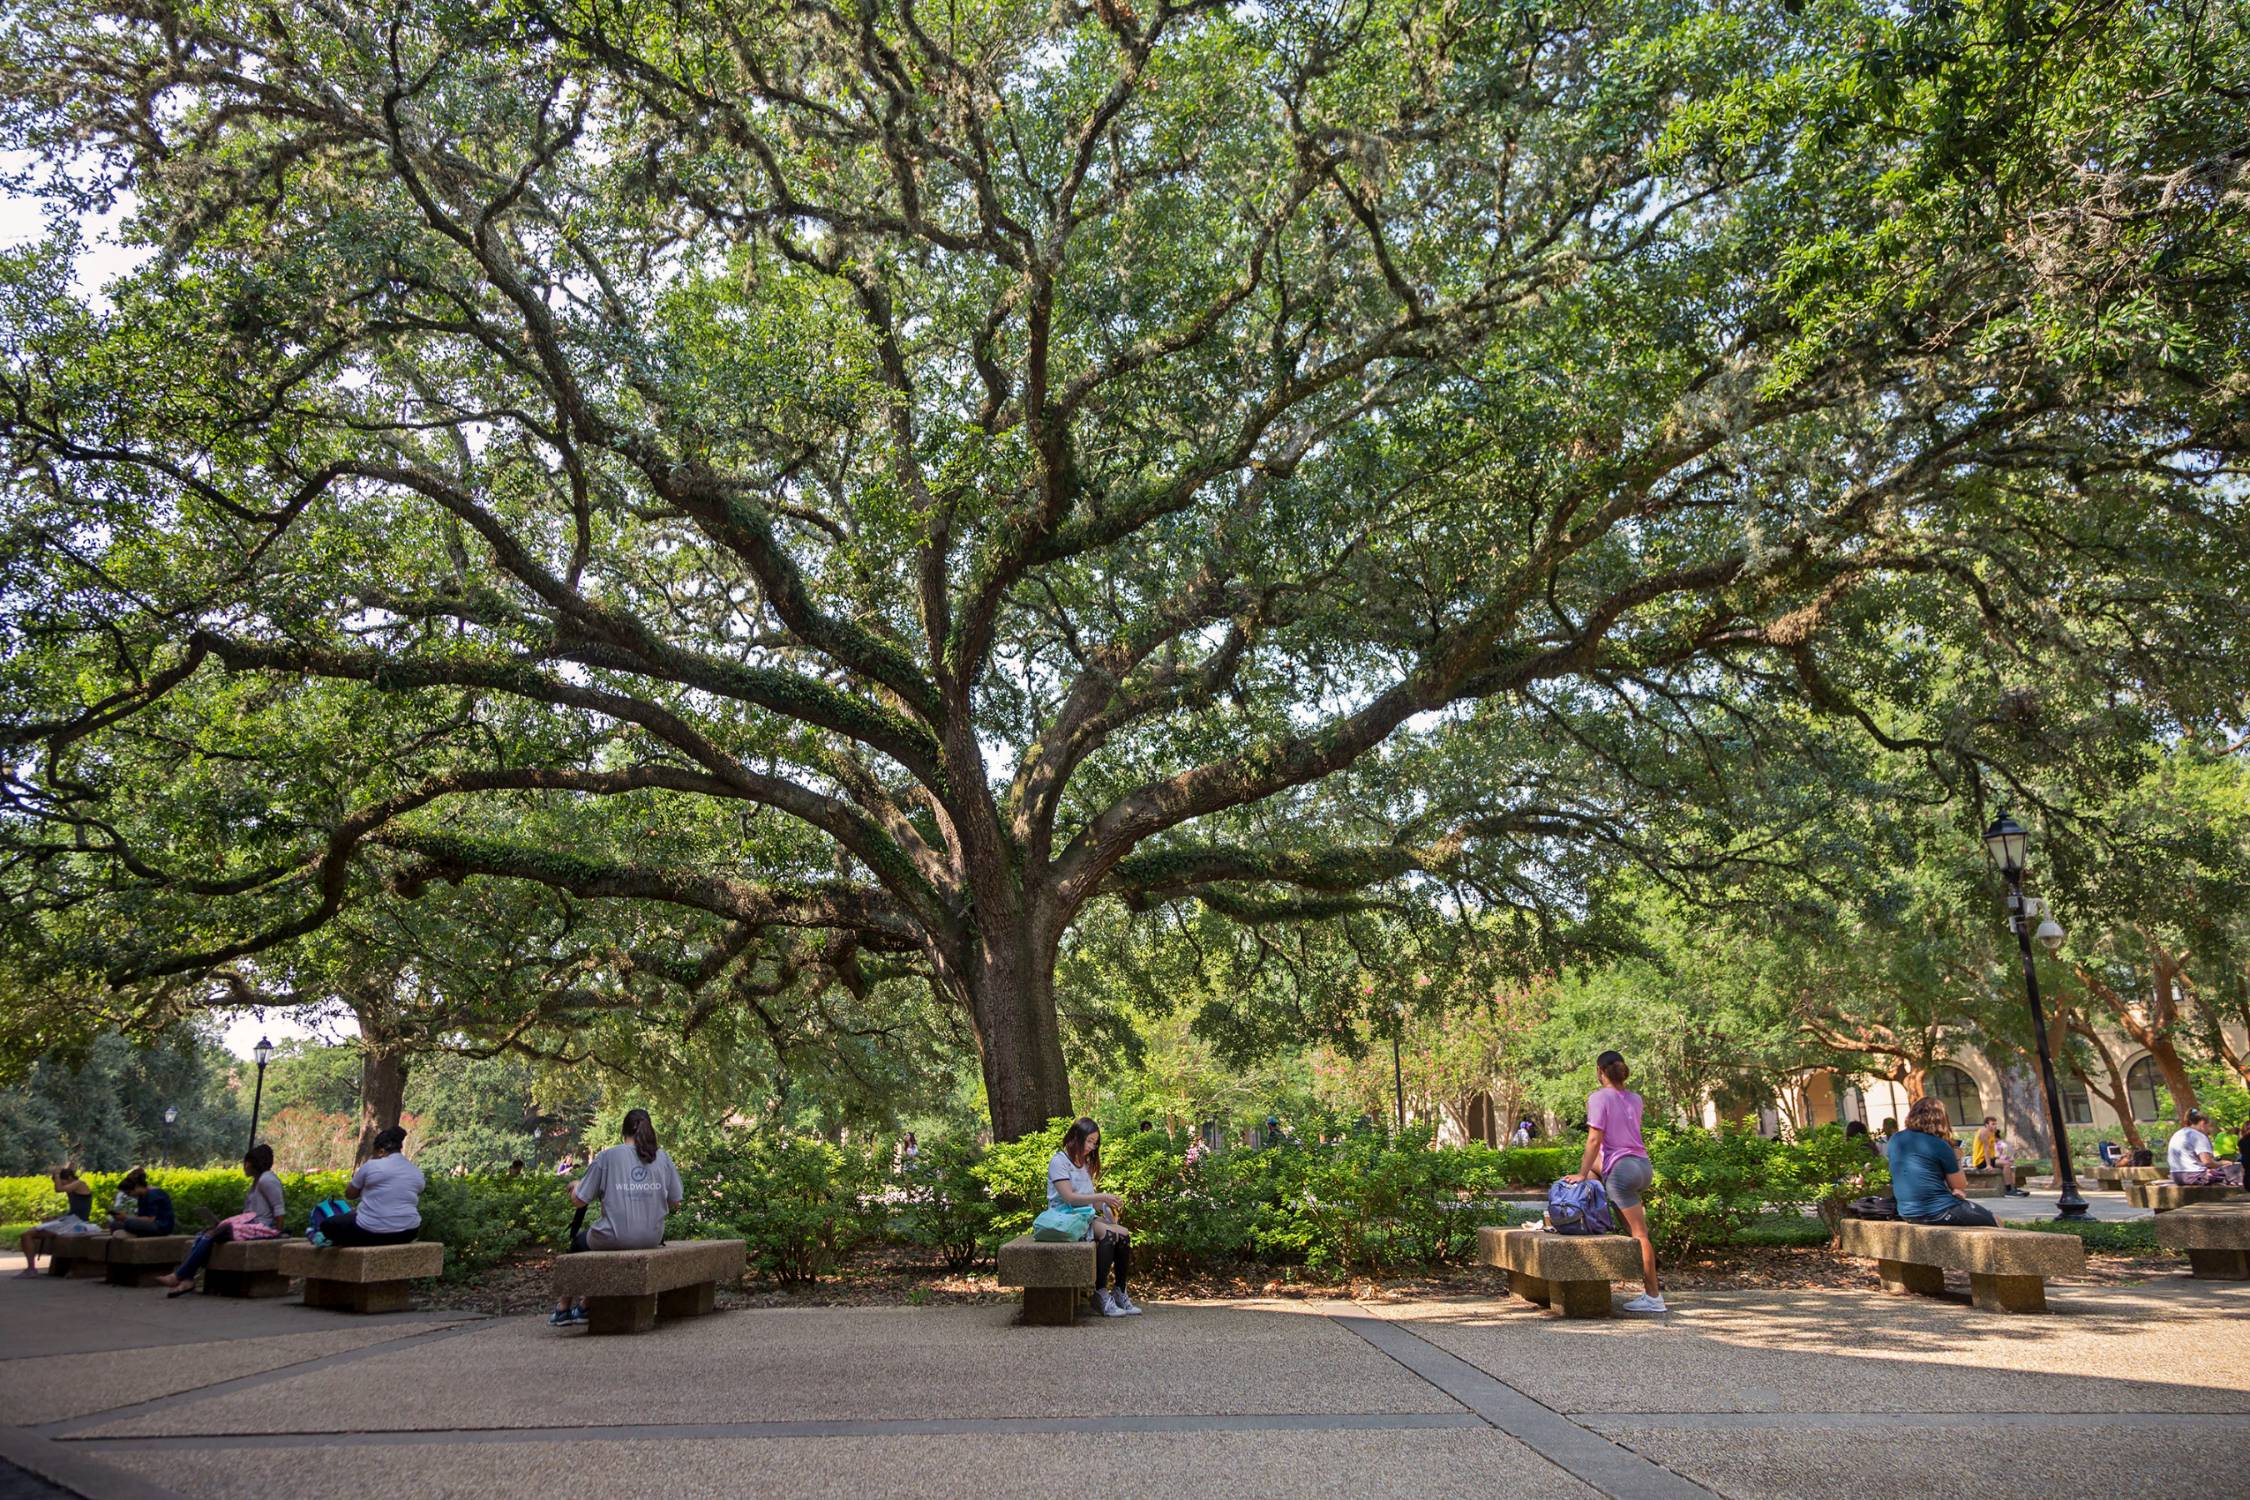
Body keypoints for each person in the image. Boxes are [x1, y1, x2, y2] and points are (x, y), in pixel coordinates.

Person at [551, 1109, 683, 1327]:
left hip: (614, 1235)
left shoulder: (607, 1157)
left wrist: (576, 1185)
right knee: (601, 1245)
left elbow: (580, 1201)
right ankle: (585, 1305)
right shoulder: (662, 1158)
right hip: (652, 1237)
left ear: (623, 1131)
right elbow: (676, 1201)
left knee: (579, 1245)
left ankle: (563, 1309)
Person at [1566, 1050, 1664, 1313]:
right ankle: (1590, 1220)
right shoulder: (1635, 1098)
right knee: (1634, 1231)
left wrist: (1580, 1173)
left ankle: (1653, 1297)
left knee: (1640, 1235)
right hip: (1641, 1166)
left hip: (1622, 1172)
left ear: (1600, 1071)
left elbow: (1594, 1139)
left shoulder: (1599, 1098)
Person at [155, 1145, 286, 1294]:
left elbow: (279, 1208)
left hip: (262, 1227)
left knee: (214, 1233)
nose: (244, 1166)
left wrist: (278, 1232)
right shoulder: (257, 1180)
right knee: (203, 1234)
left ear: (254, 1163)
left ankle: (178, 1276)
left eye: (246, 1162)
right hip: (250, 1225)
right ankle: (188, 1280)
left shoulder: (267, 1180)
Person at [1049, 1117, 1140, 1317]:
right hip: (1065, 1219)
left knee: (1124, 1234)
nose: (1091, 1147)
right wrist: (1101, 1197)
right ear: (1075, 1137)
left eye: (1095, 1143)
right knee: (1109, 1234)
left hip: (1084, 1216)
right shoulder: (1059, 1161)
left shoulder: (1086, 1163)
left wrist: (1109, 1204)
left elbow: (1090, 1200)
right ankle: (1100, 1293)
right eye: (1089, 1141)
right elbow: (1070, 1198)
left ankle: (1120, 1291)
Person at [1887, 1097, 1997, 1226]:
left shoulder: (1895, 1139)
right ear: (1940, 1118)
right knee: (1995, 1220)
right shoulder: (1939, 1144)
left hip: (1907, 1212)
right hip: (1939, 1210)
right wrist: (1957, 1158)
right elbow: (1960, 1185)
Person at [321, 1126, 426, 1246]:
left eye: (373, 1153)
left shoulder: (371, 1165)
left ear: (381, 1151)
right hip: (408, 1232)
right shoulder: (416, 1172)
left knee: (328, 1224)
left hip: (370, 1231)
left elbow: (349, 1194)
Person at [17, 1166, 98, 1277]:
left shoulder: (80, 1184)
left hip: (77, 1223)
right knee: (26, 1235)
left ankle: (31, 1269)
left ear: (69, 1178)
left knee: (27, 1235)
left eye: (62, 1181)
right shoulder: (73, 1186)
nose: (60, 1184)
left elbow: (58, 1189)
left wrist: (56, 1174)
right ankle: (31, 1268)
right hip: (69, 1221)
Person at [2167, 1109, 2244, 1187]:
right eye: (2209, 1126)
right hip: (2194, 1176)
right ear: (2202, 1123)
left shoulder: (2178, 1133)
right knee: (2234, 1170)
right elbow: (2207, 1162)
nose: (2209, 1130)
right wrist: (2224, 1163)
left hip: (2176, 1176)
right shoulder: (2198, 1136)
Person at [108, 1168, 176, 1236]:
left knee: (129, 1223)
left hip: (160, 1226)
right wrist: (123, 1217)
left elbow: (151, 1219)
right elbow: (142, 1217)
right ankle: (132, 1233)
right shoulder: (142, 1196)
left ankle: (132, 1234)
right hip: (148, 1225)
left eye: (129, 1193)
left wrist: (127, 1217)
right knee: (115, 1224)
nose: (129, 1195)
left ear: (137, 1186)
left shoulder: (153, 1194)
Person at [1991, 1131, 2027, 1197]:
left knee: (2011, 1167)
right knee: (2010, 1167)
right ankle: (2012, 1188)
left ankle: (2012, 1189)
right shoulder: (2002, 1143)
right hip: (2004, 1160)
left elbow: (1999, 1155)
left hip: (2003, 1160)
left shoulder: (2000, 1144)